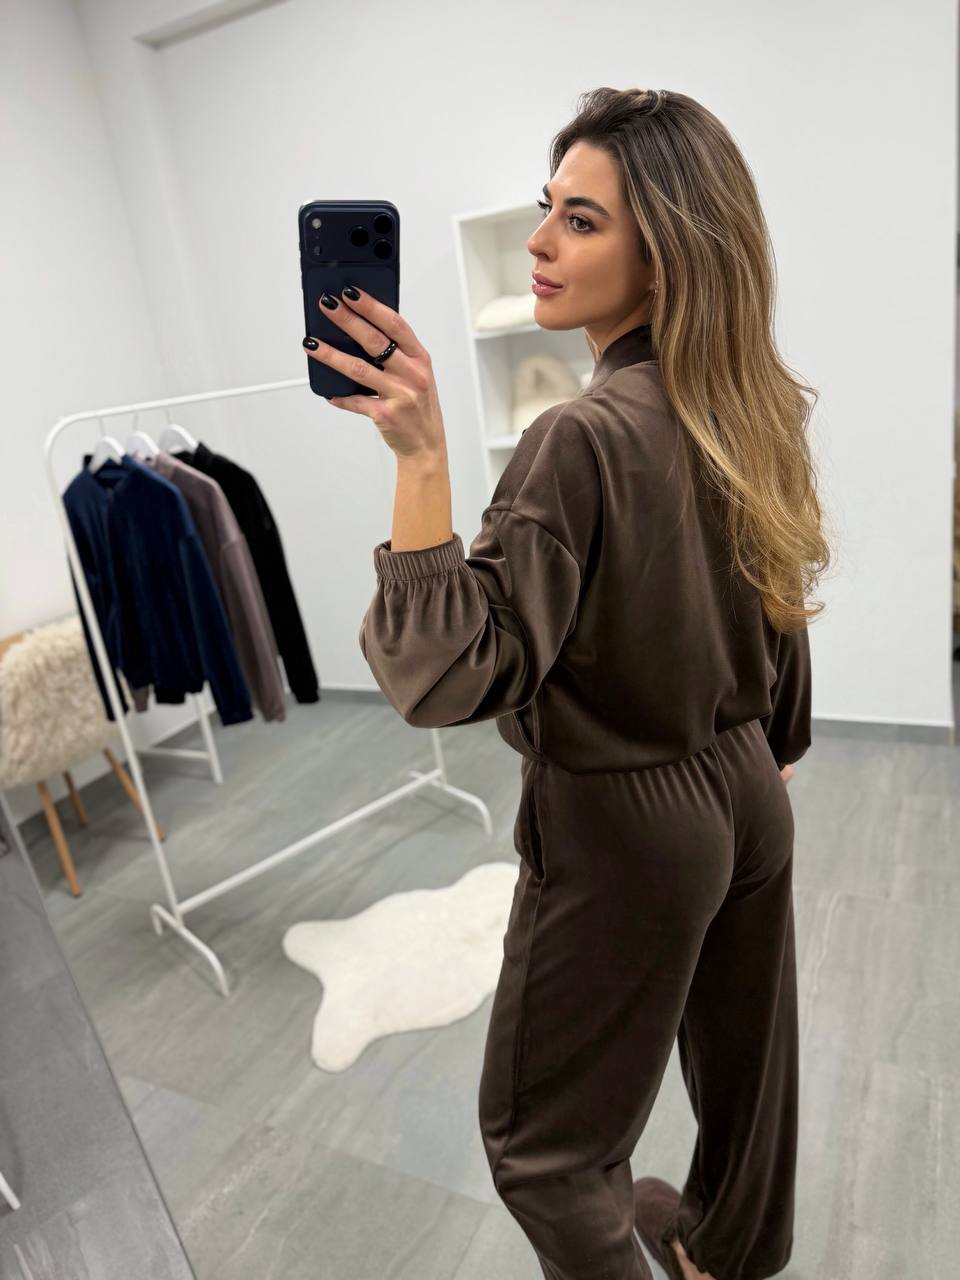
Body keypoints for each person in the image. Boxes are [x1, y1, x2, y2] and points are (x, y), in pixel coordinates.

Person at [356, 86, 831, 1280]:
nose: (540, 241)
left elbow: (447, 672)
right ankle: (723, 1251)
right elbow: (780, 599)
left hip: (628, 820)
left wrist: (420, 455)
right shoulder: (746, 406)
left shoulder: (582, 437)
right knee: (749, 1073)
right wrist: (772, 738)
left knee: (546, 1150)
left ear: (665, 253)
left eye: (580, 219)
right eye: (546, 209)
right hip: (746, 785)